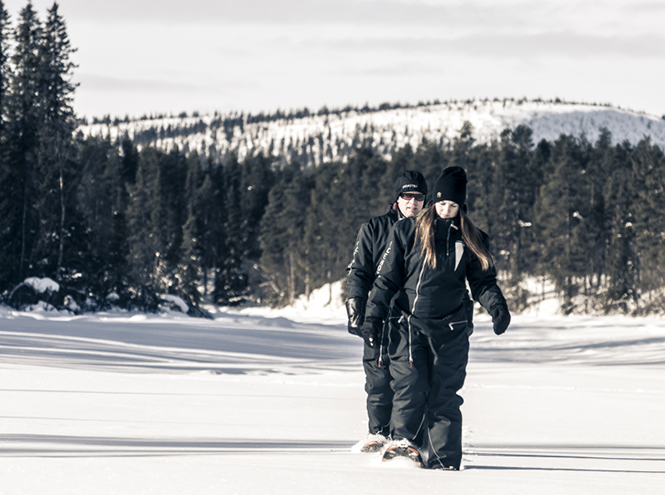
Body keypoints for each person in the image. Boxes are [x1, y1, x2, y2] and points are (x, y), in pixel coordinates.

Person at [361, 166, 511, 469]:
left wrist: (497, 306)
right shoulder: (407, 231)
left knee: (445, 394)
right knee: (410, 385)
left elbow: (482, 281)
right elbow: (387, 279)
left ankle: (443, 459)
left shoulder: (471, 238)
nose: (445, 210)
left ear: (461, 207)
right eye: (441, 204)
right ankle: (405, 444)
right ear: (433, 203)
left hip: (451, 329)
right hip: (409, 325)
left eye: (452, 206)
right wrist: (373, 316)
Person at [346, 170, 428, 453]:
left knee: (409, 379)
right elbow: (359, 271)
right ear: (397, 198)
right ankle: (377, 433)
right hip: (378, 313)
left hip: (413, 317)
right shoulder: (375, 227)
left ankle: (403, 438)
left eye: (418, 197)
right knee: (378, 377)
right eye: (407, 195)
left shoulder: (431, 230)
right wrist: (356, 307)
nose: (412, 202)